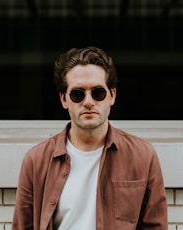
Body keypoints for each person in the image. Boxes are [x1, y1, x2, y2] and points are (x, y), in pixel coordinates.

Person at [12, 46, 168, 229]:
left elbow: (155, 226)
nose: (88, 102)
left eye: (98, 93)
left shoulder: (142, 156)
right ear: (64, 99)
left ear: (112, 95)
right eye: (78, 94)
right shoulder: (36, 160)